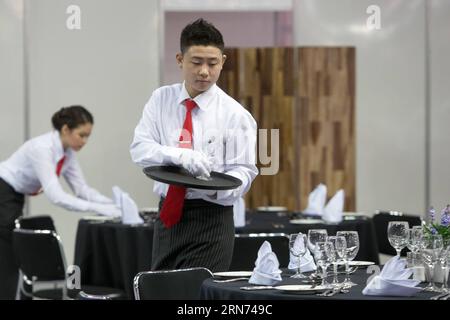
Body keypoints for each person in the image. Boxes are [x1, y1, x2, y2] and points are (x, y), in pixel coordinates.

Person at [130, 18, 258, 272]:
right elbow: (140, 149)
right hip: (168, 214)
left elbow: (244, 172)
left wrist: (211, 187)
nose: (204, 71)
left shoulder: (235, 114)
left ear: (223, 61)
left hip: (211, 217)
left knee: (194, 295)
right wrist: (178, 156)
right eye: (196, 62)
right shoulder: (161, 99)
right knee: (160, 291)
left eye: (212, 63)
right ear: (180, 60)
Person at [0, 105, 120, 299]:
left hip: (13, 195)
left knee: (12, 256)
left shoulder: (67, 152)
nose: (85, 141)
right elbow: (56, 196)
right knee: (7, 259)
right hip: (3, 191)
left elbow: (82, 190)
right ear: (65, 129)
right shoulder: (42, 148)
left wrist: (113, 205)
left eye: (88, 136)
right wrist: (102, 209)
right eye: (82, 135)